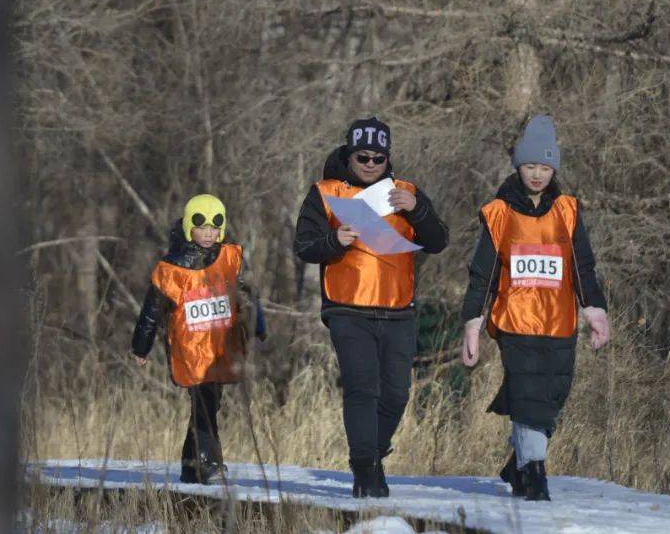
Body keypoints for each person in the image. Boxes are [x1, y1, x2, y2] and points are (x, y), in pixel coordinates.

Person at [294, 117, 449, 498]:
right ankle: (364, 469)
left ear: (387, 159)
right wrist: (334, 240)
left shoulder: (406, 192)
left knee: (396, 394)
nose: (369, 163)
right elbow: (304, 246)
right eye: (362, 156)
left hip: (398, 311)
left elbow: (439, 241)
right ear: (349, 155)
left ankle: (374, 454)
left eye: (378, 158)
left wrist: (418, 211)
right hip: (347, 310)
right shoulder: (326, 193)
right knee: (362, 388)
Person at [460, 115, 611, 501]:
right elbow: (483, 275)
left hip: (559, 322)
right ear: (518, 166)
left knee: (552, 397)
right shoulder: (500, 213)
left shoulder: (568, 211)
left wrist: (595, 310)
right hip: (516, 320)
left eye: (545, 167)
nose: (538, 174)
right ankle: (535, 474)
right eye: (531, 166)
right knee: (528, 395)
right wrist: (472, 323)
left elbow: (583, 265)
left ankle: (518, 464)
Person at [130, 193, 267, 484]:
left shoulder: (231, 258)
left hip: (220, 346)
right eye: (202, 226)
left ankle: (190, 466)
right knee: (203, 402)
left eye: (215, 227)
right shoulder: (171, 269)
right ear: (189, 226)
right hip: (190, 349)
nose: (209, 233)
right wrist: (140, 347)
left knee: (210, 403)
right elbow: (150, 312)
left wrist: (258, 326)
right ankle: (209, 464)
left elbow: (249, 294)